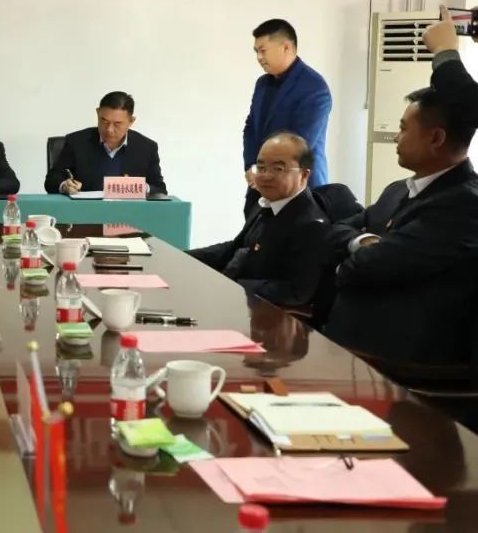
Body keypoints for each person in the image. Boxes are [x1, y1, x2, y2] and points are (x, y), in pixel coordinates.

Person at [324, 20, 478, 370]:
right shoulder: (397, 190)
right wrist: (362, 240)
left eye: (403, 129)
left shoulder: (463, 204)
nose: (395, 137)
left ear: (436, 138)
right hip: (348, 345)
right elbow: (334, 232)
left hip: (399, 364)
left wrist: (445, 52)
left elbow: (368, 269)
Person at [188, 133, 328, 308]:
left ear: (304, 174)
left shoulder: (311, 224)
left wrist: (232, 285)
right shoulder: (265, 202)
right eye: (261, 167)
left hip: (268, 316)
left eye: (278, 169)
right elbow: (235, 248)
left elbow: (296, 292)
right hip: (238, 301)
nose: (265, 176)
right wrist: (182, 257)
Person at [242, 19, 332, 216]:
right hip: (260, 185)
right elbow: (251, 127)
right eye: (256, 51)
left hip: (297, 188)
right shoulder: (262, 84)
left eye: (263, 51)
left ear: (286, 47)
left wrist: (266, 171)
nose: (259, 57)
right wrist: (251, 166)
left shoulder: (314, 87)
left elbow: (299, 144)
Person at [44, 91, 167, 195]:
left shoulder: (147, 148)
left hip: (128, 213)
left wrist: (140, 187)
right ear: (97, 112)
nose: (109, 129)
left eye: (117, 124)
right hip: (84, 212)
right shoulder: (76, 141)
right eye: (104, 121)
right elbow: (51, 182)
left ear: (131, 121)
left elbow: (160, 190)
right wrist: (64, 186)